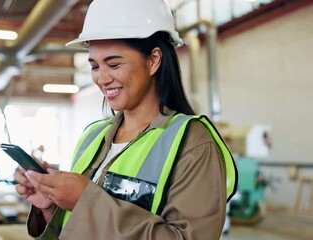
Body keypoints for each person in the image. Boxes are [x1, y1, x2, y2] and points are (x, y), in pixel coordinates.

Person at [14, 0, 237, 239]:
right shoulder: (92, 136)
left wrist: (85, 201)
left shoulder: (192, 143)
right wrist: (50, 206)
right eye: (95, 66)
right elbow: (77, 228)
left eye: (114, 64)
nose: (102, 78)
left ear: (153, 60)